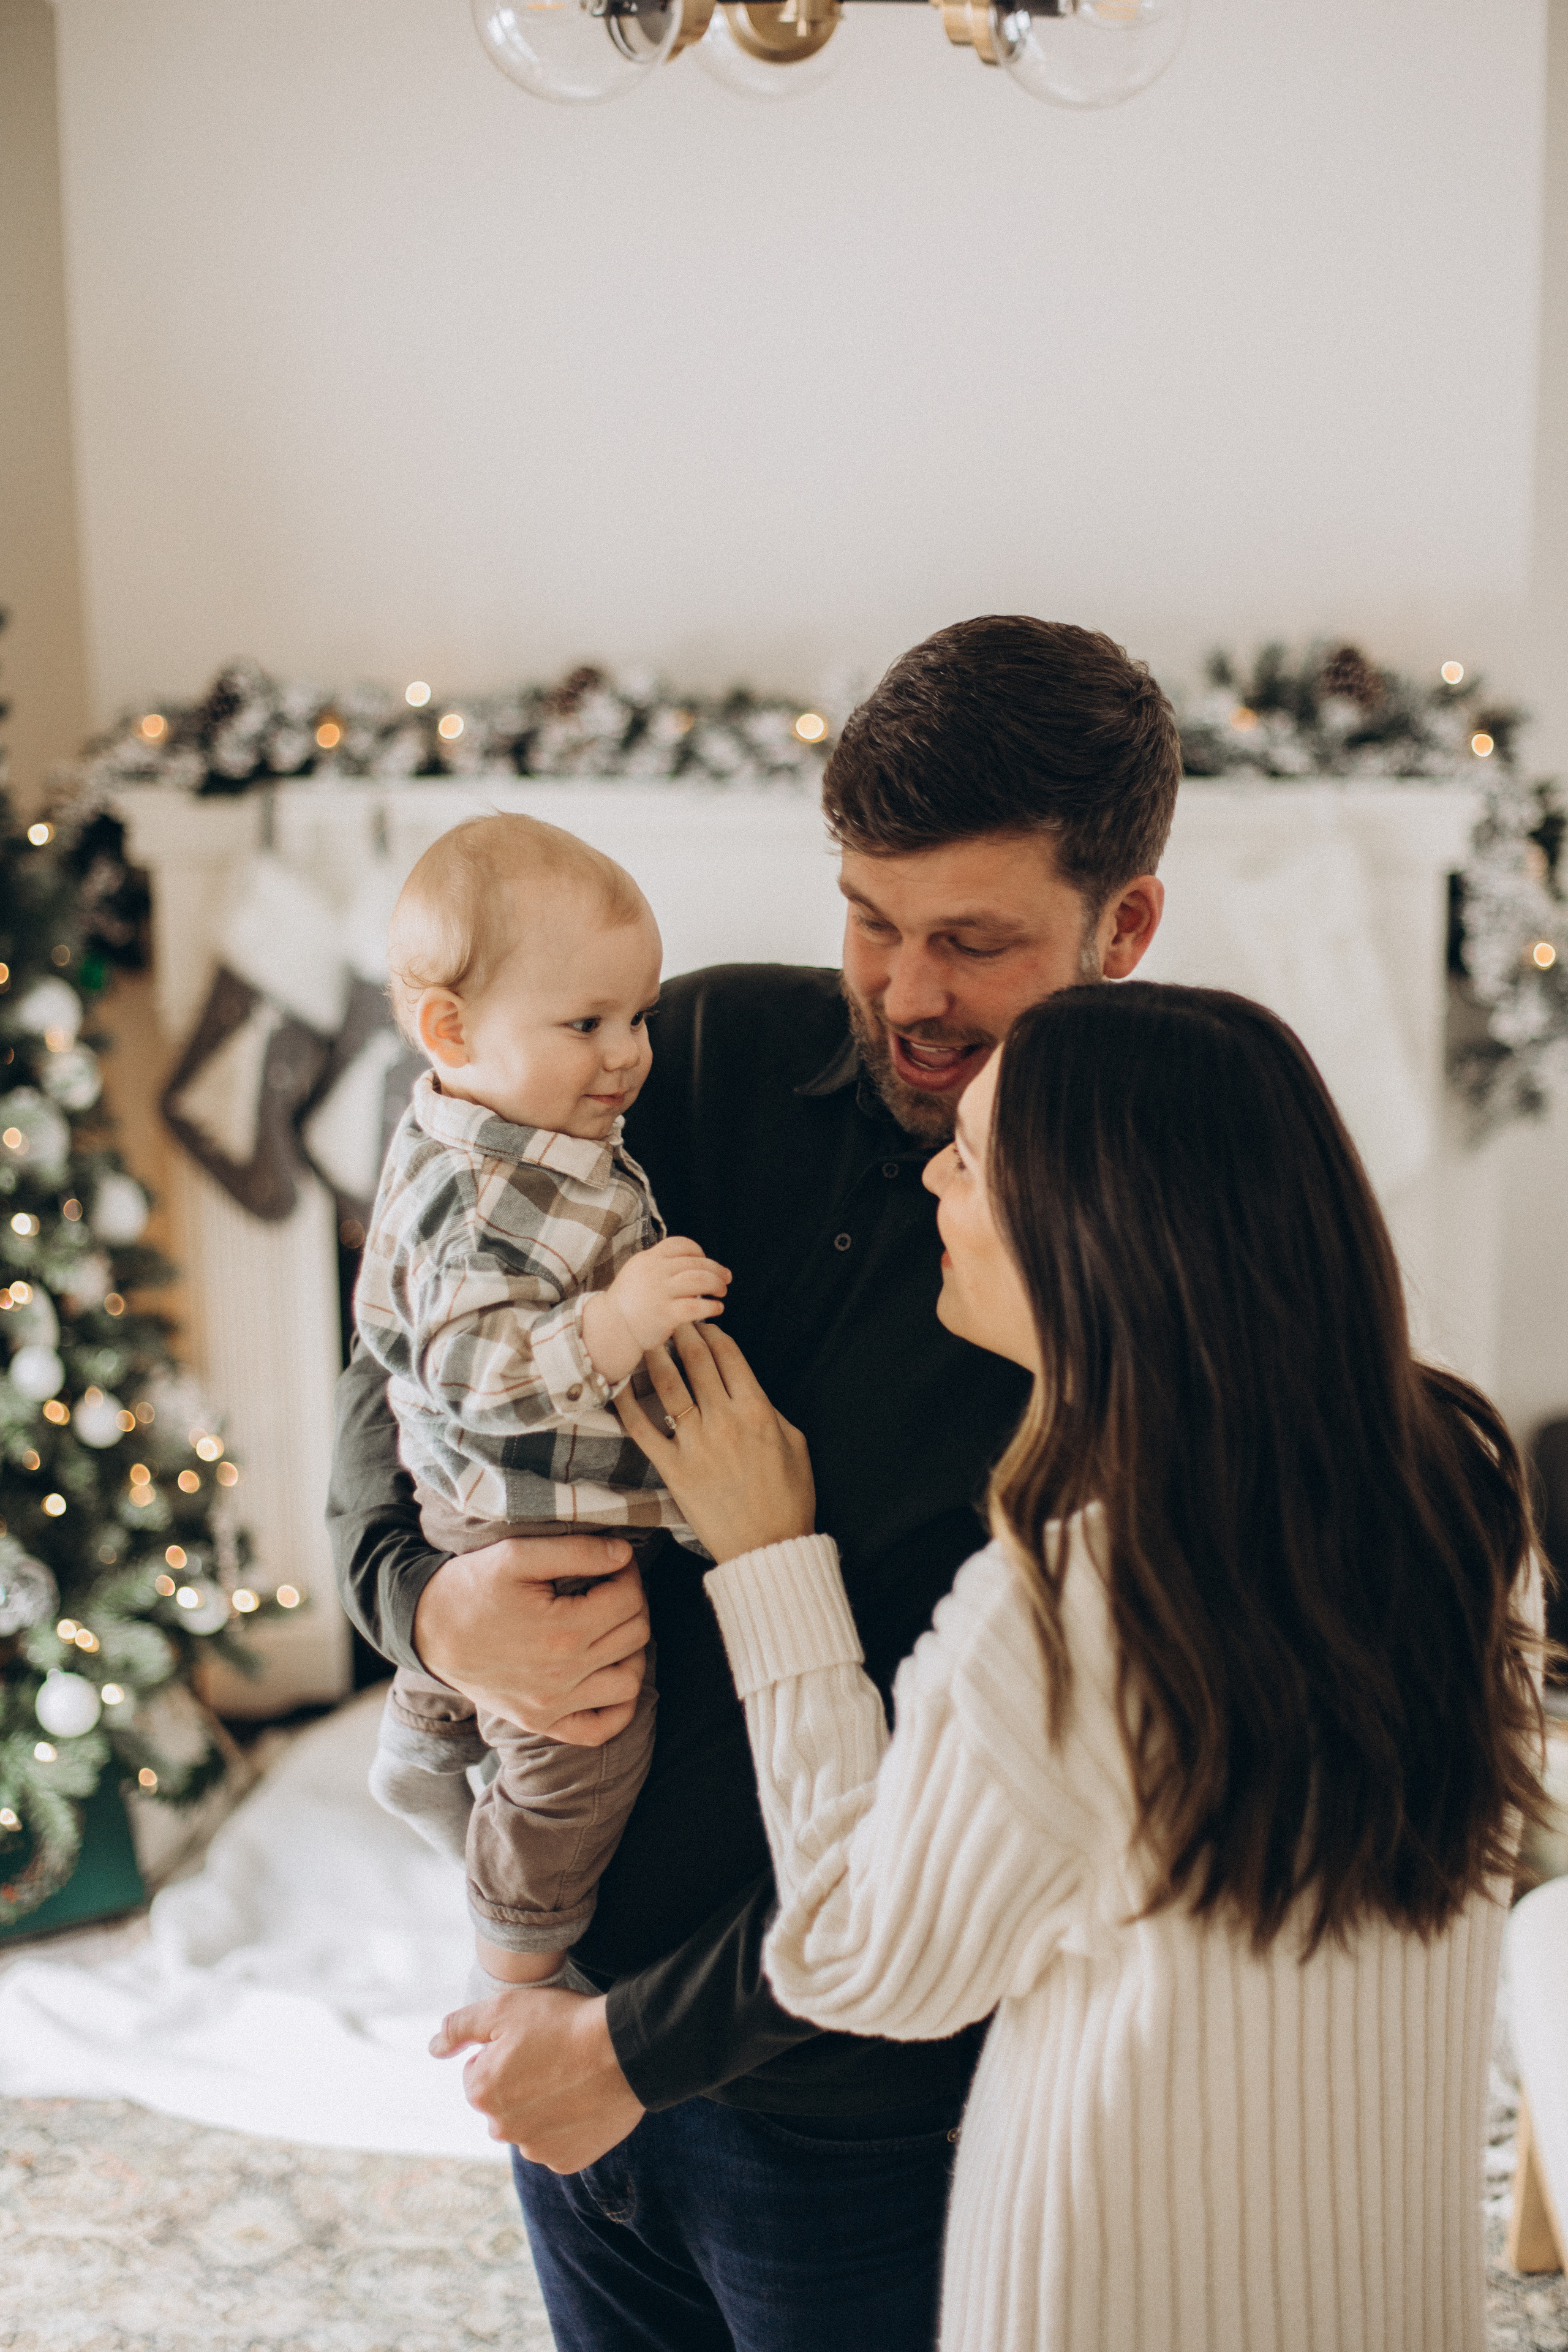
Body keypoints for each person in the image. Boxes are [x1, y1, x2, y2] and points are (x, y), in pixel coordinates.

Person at [326, 616, 1180, 2351]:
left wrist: (628, 2054)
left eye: (974, 942)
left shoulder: (1137, 1267)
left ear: (1124, 927)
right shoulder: (679, 1055)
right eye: (870, 919)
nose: (907, 993)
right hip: (566, 2000)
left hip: (862, 2109)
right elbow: (404, 1333)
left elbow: (1000, 1805)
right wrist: (425, 1607)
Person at [623, 985, 1550, 2352]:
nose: (932, 1178)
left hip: (1115, 2297)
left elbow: (863, 1962)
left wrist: (769, 1562)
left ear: (1087, 1231)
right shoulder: (1458, 1486)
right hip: (1384, 2292)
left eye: (971, 1157)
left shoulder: (1063, 1607)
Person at [355, 812, 729, 1997]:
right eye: (586, 1025)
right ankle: (518, 1957)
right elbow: (473, 1376)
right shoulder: (482, 1199)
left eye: (640, 1017)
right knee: (590, 1745)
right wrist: (614, 1323)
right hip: (531, 1514)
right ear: (450, 1030)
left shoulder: (490, 1128)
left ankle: (424, 1738)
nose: (628, 1057)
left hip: (490, 1501)